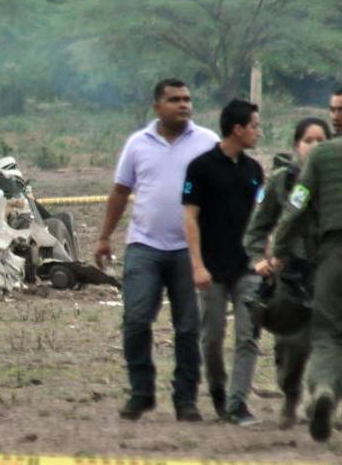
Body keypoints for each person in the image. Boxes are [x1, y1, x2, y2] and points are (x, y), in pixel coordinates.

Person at [95, 78, 219, 422]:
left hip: (189, 251)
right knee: (135, 321)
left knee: (188, 327)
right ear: (157, 107)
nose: (184, 105)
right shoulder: (138, 144)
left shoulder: (208, 142)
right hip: (144, 246)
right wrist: (104, 237)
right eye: (175, 99)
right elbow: (120, 192)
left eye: (187, 99)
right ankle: (141, 392)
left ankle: (186, 400)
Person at [182, 99, 264, 425]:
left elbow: (262, 218)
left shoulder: (254, 171)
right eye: (255, 126)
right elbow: (189, 217)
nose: (259, 132)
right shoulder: (200, 168)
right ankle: (218, 390)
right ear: (238, 129)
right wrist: (197, 265)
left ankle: (237, 403)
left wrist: (265, 256)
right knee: (212, 337)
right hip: (212, 270)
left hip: (247, 269)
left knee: (248, 336)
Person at [243, 118, 329, 429]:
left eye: (321, 141)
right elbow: (257, 229)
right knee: (293, 347)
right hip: (290, 278)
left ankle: (325, 398)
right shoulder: (281, 181)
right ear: (297, 145)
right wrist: (259, 260)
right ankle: (291, 396)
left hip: (330, 275)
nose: (314, 147)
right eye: (308, 140)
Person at [271, 136, 342, 442]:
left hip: (334, 252)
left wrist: (280, 247)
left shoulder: (323, 154)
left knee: (326, 333)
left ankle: (324, 388)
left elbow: (297, 202)